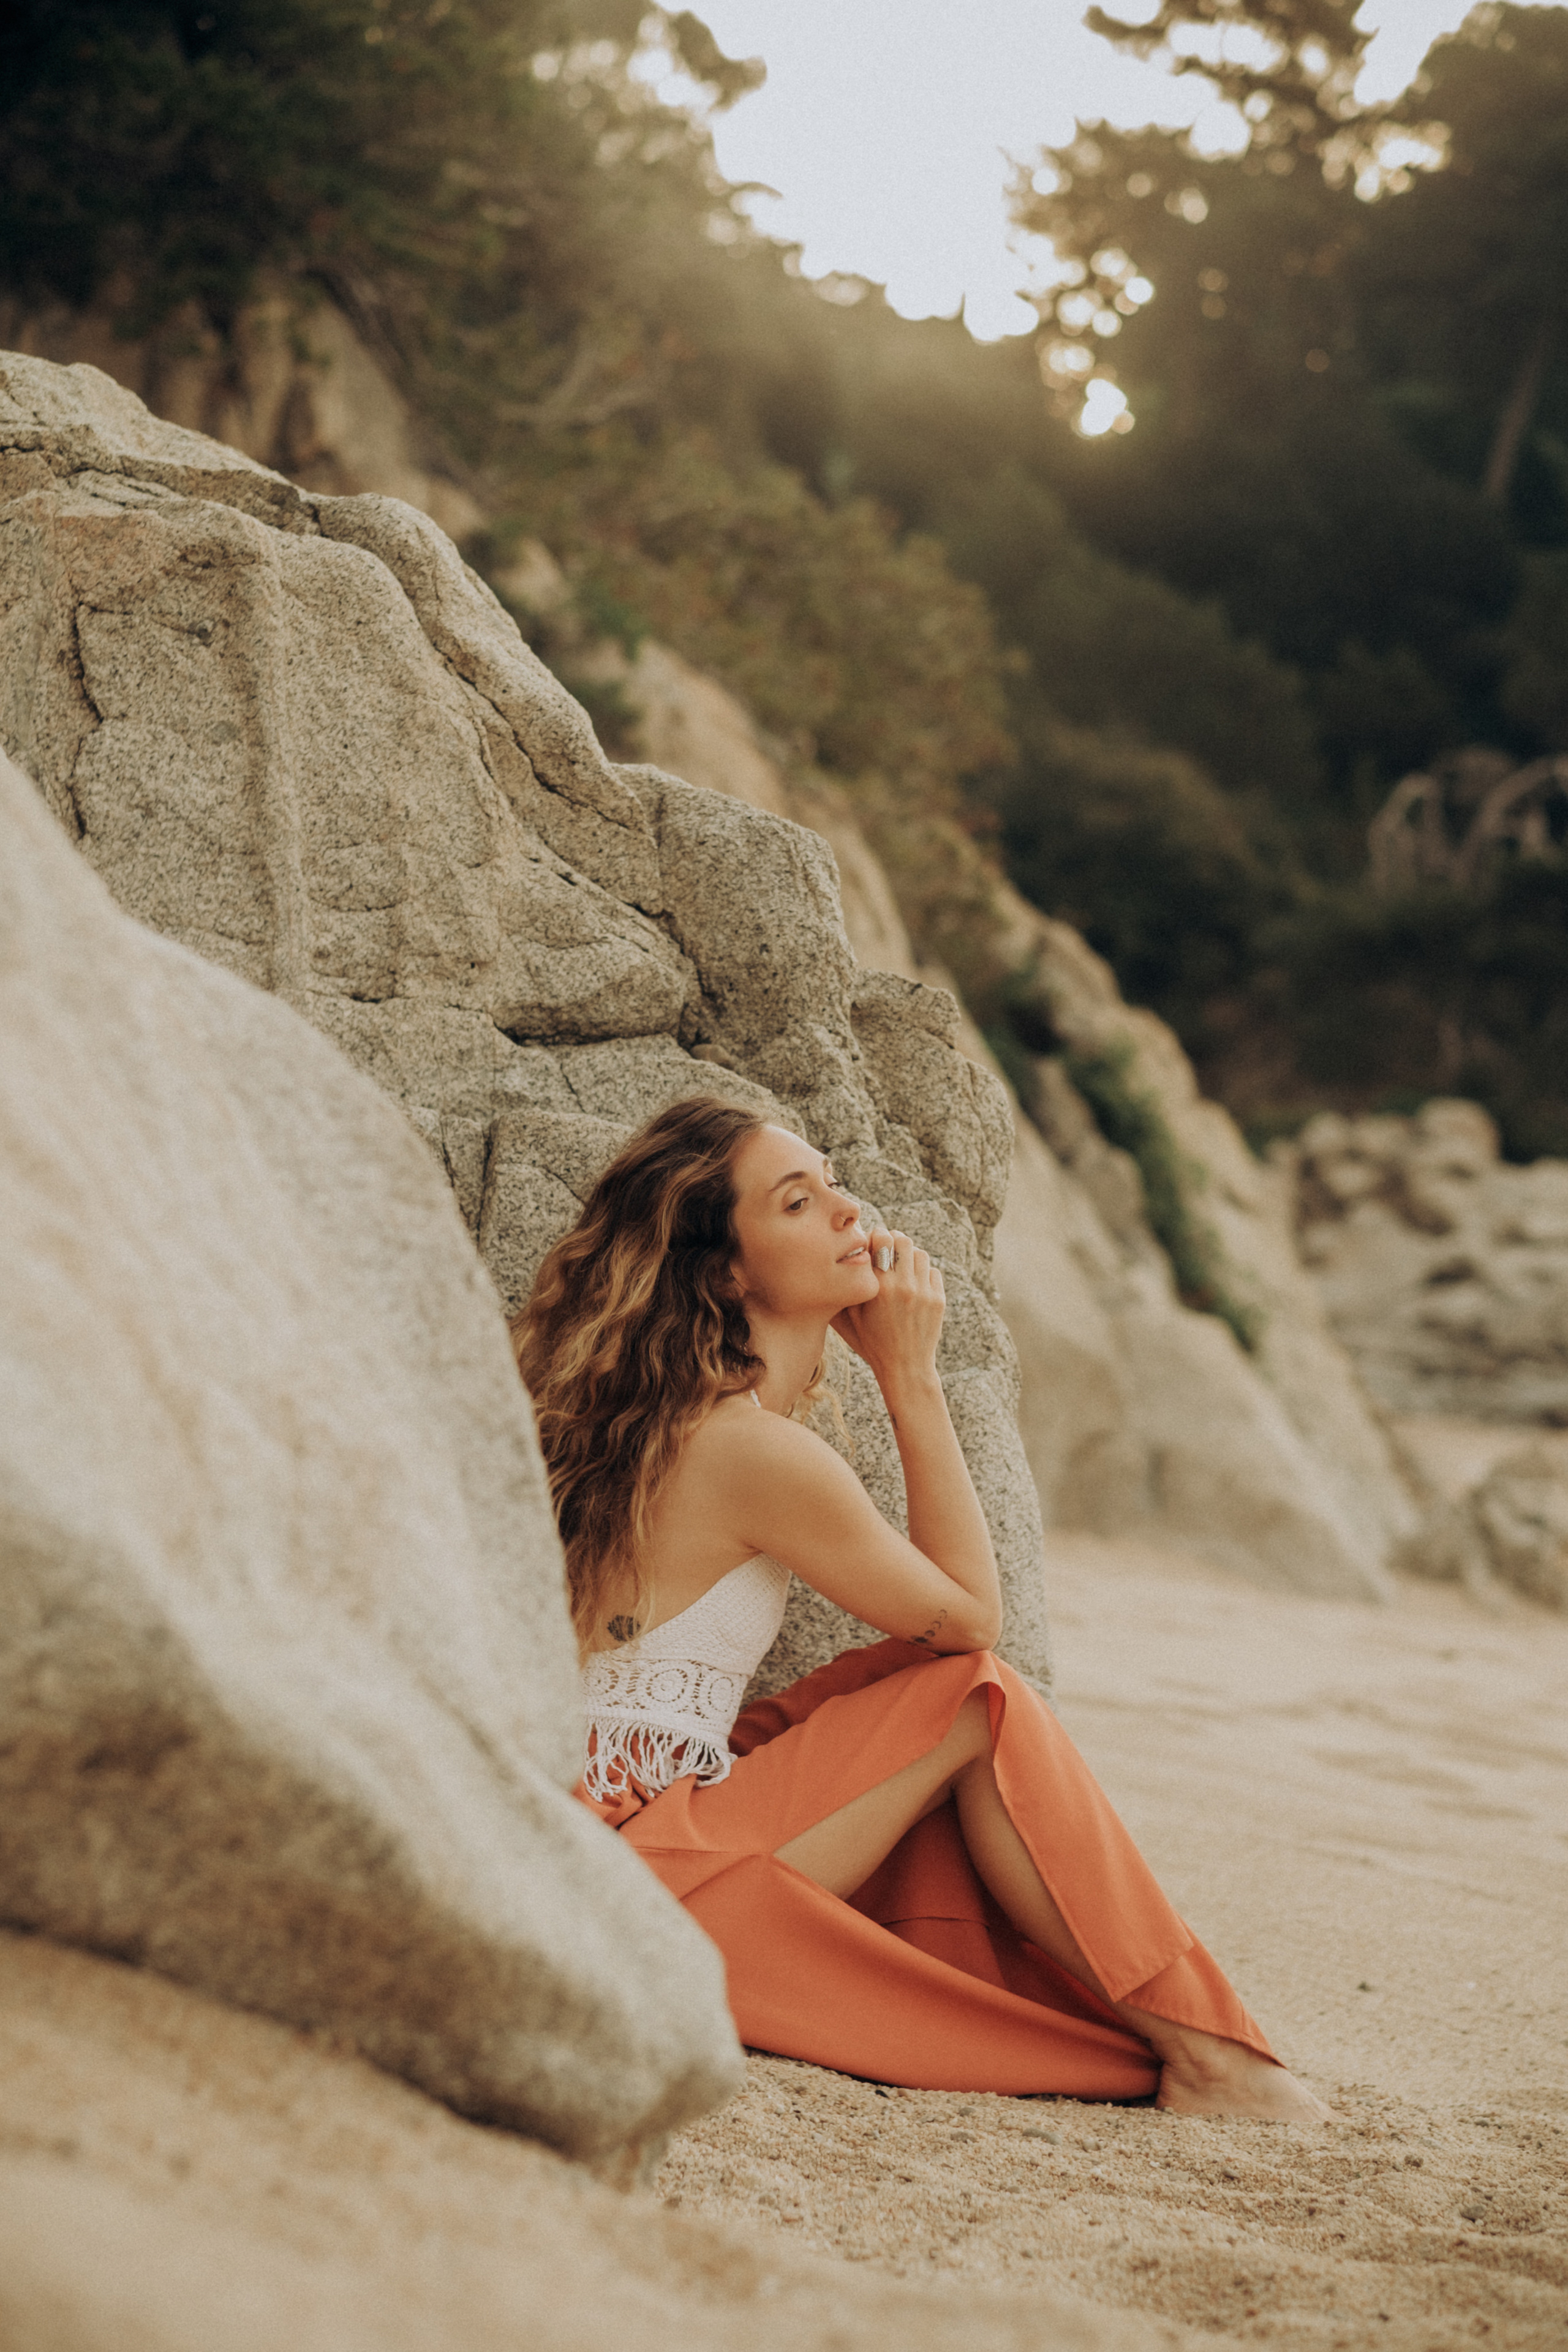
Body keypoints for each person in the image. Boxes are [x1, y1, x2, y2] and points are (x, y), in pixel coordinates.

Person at [514, 1096, 1330, 2120]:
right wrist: (911, 1378)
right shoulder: (750, 1450)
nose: (849, 1212)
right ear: (725, 1272)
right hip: (628, 1873)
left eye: (833, 1184)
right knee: (975, 1696)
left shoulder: (684, 1428)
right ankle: (1208, 2054)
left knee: (892, 1684)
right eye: (799, 1203)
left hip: (609, 1840)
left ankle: (1168, 2037)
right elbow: (974, 1620)